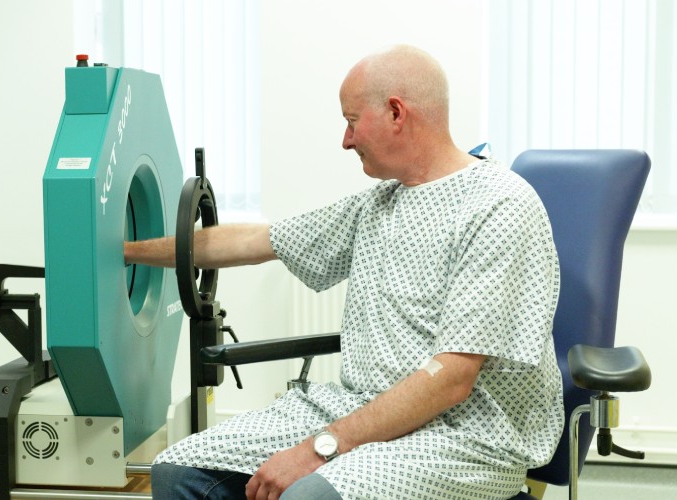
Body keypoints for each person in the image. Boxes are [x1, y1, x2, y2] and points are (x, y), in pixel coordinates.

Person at [125, 44, 564, 500]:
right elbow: (255, 242)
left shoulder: (500, 206)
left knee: (307, 496)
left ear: (396, 112)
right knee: (178, 471)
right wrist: (125, 250)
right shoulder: (379, 203)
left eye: (352, 121)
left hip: (465, 438)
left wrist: (320, 449)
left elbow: (452, 379)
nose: (346, 140)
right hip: (362, 408)